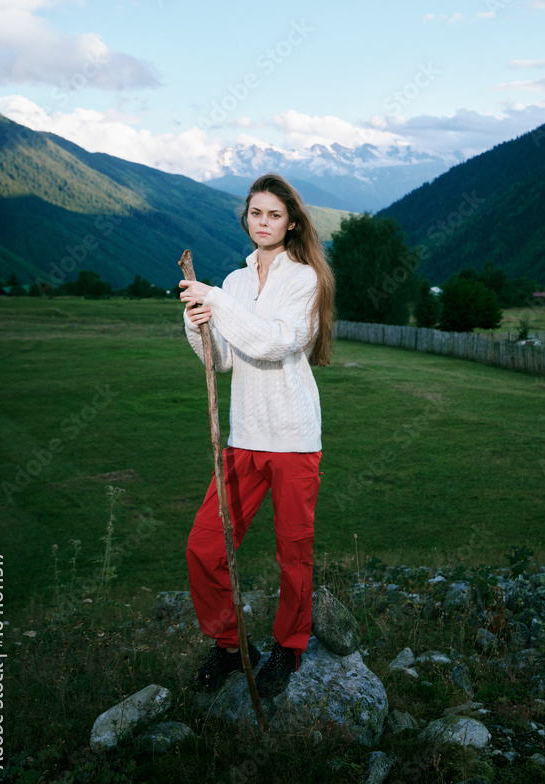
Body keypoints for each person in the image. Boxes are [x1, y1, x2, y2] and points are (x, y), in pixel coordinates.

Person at [179, 173, 335, 698]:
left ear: (290, 222)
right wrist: (196, 321)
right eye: (255, 213)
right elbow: (223, 360)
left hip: (292, 437)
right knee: (205, 546)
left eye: (273, 214)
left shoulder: (305, 280)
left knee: (293, 553)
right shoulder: (235, 281)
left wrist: (217, 304)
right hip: (244, 437)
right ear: (245, 218)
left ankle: (289, 649)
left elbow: (273, 344)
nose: (263, 223)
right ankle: (229, 646)